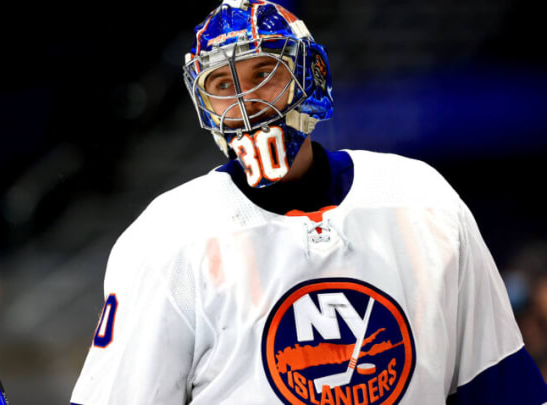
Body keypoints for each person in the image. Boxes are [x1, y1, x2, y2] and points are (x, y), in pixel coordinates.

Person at [70, 1, 547, 403]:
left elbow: (500, 387)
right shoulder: (165, 238)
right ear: (204, 105)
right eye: (222, 85)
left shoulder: (425, 200)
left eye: (265, 73)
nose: (247, 101)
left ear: (309, 73)